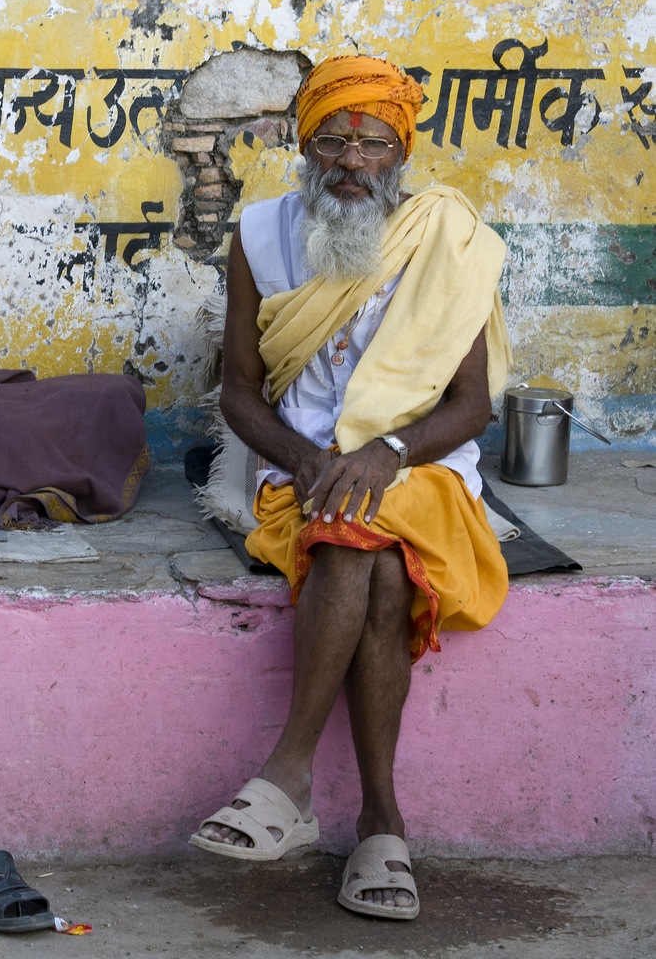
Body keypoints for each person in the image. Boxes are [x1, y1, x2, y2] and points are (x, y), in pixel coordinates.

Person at [190, 56, 512, 921]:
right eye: (332, 139)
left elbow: (472, 406)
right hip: (303, 467)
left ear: (399, 151)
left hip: (418, 465)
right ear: (306, 148)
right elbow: (241, 395)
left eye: (370, 144)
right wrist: (302, 461)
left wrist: (387, 453)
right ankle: (380, 823)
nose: (350, 161)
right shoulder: (260, 234)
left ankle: (287, 779)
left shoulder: (447, 236)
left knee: (362, 529)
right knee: (368, 554)